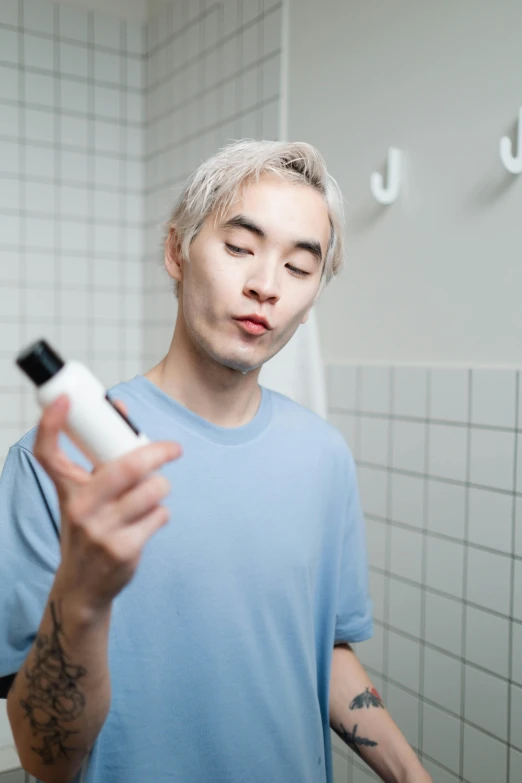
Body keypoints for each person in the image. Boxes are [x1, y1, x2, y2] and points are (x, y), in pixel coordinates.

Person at [0, 140, 432, 783]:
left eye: (299, 266)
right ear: (176, 251)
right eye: (239, 247)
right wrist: (83, 595)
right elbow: (45, 759)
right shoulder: (59, 464)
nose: (265, 286)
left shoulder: (322, 456)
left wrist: (409, 774)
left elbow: (320, 649)